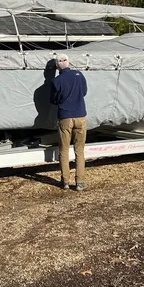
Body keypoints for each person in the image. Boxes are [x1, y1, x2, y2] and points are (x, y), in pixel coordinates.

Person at [50, 52, 88, 191]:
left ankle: (65, 181)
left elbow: (53, 100)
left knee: (64, 150)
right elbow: (84, 92)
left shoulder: (56, 81)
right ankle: (80, 182)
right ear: (68, 62)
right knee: (80, 150)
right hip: (80, 116)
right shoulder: (79, 75)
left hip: (65, 117)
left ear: (57, 65)